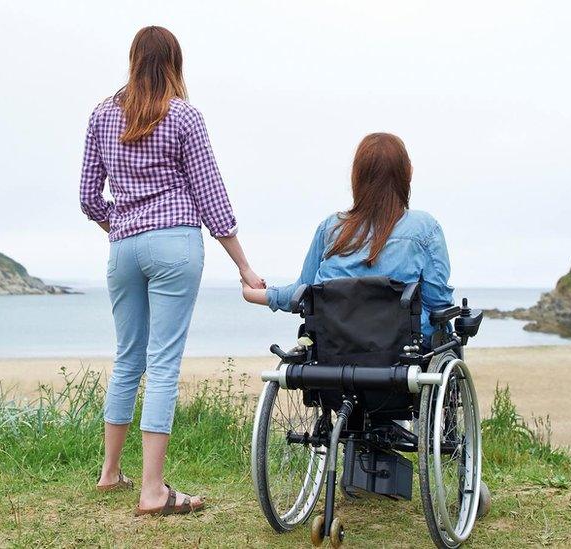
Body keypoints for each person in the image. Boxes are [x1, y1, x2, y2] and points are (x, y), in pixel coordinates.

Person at [79, 25, 263, 516]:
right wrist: (244, 267)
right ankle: (153, 491)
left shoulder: (101, 115)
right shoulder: (183, 115)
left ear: (133, 60)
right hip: (175, 243)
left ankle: (109, 473)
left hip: (122, 246)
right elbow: (212, 196)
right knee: (162, 363)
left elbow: (87, 197)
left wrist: (120, 228)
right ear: (175, 63)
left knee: (127, 358)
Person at [240, 133, 453, 344]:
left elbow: (303, 292)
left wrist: (255, 294)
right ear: (407, 174)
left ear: (357, 177)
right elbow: (438, 304)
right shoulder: (425, 228)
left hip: (334, 347)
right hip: (404, 350)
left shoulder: (332, 228)